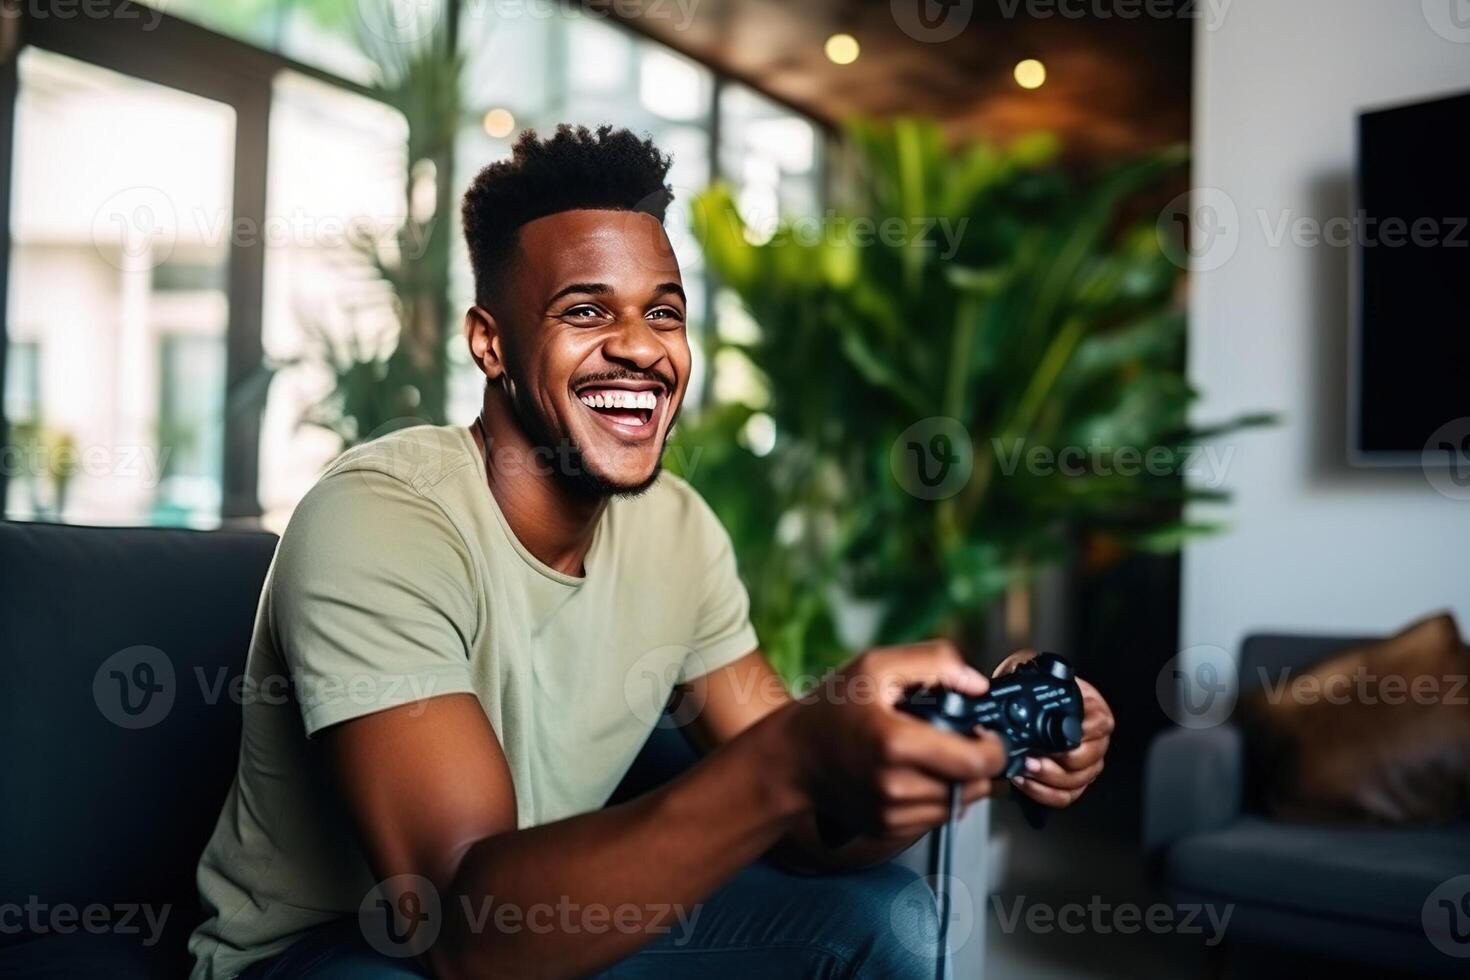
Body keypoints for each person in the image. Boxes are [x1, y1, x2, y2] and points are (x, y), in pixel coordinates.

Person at [188, 125, 1115, 979]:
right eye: (586, 313)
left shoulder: (678, 529)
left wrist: (973, 742)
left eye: (663, 314)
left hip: (553, 916)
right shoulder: (381, 516)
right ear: (492, 343)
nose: (639, 347)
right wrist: (791, 758)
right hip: (336, 951)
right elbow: (457, 928)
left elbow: (813, 828)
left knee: (882, 915)